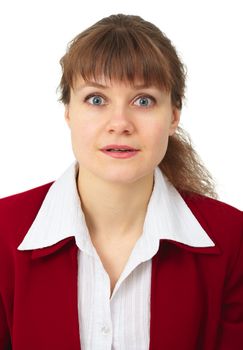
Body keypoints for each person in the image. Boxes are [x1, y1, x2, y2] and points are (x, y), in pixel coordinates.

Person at [0, 13, 242, 350]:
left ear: (173, 116)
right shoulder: (4, 230)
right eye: (96, 99)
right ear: (68, 112)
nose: (120, 123)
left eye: (143, 100)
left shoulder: (233, 239)